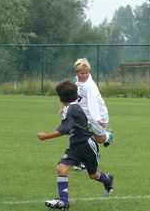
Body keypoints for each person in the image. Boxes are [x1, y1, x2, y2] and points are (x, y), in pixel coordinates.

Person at [37, 80, 114, 211]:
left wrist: (46, 136)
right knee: (61, 169)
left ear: (61, 97)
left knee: (93, 175)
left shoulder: (72, 109)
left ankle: (108, 181)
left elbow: (64, 130)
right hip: (74, 146)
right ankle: (63, 202)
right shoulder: (70, 107)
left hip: (87, 146)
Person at [71, 58, 113, 171]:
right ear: (76, 73)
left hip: (98, 114)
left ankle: (108, 136)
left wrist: (97, 119)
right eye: (82, 73)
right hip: (83, 115)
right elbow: (74, 96)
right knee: (77, 134)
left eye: (87, 73)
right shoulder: (75, 81)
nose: (84, 75)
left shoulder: (90, 86)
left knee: (99, 139)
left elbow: (93, 103)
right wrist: (66, 108)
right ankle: (81, 161)